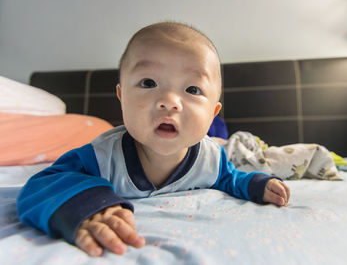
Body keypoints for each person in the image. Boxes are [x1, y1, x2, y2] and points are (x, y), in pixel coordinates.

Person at [17, 22, 290, 257]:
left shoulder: (211, 158)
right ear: (122, 97)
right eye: (149, 83)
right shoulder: (101, 157)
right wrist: (84, 206)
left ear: (212, 113)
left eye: (192, 89)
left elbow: (229, 178)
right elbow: (43, 184)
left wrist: (256, 184)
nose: (169, 101)